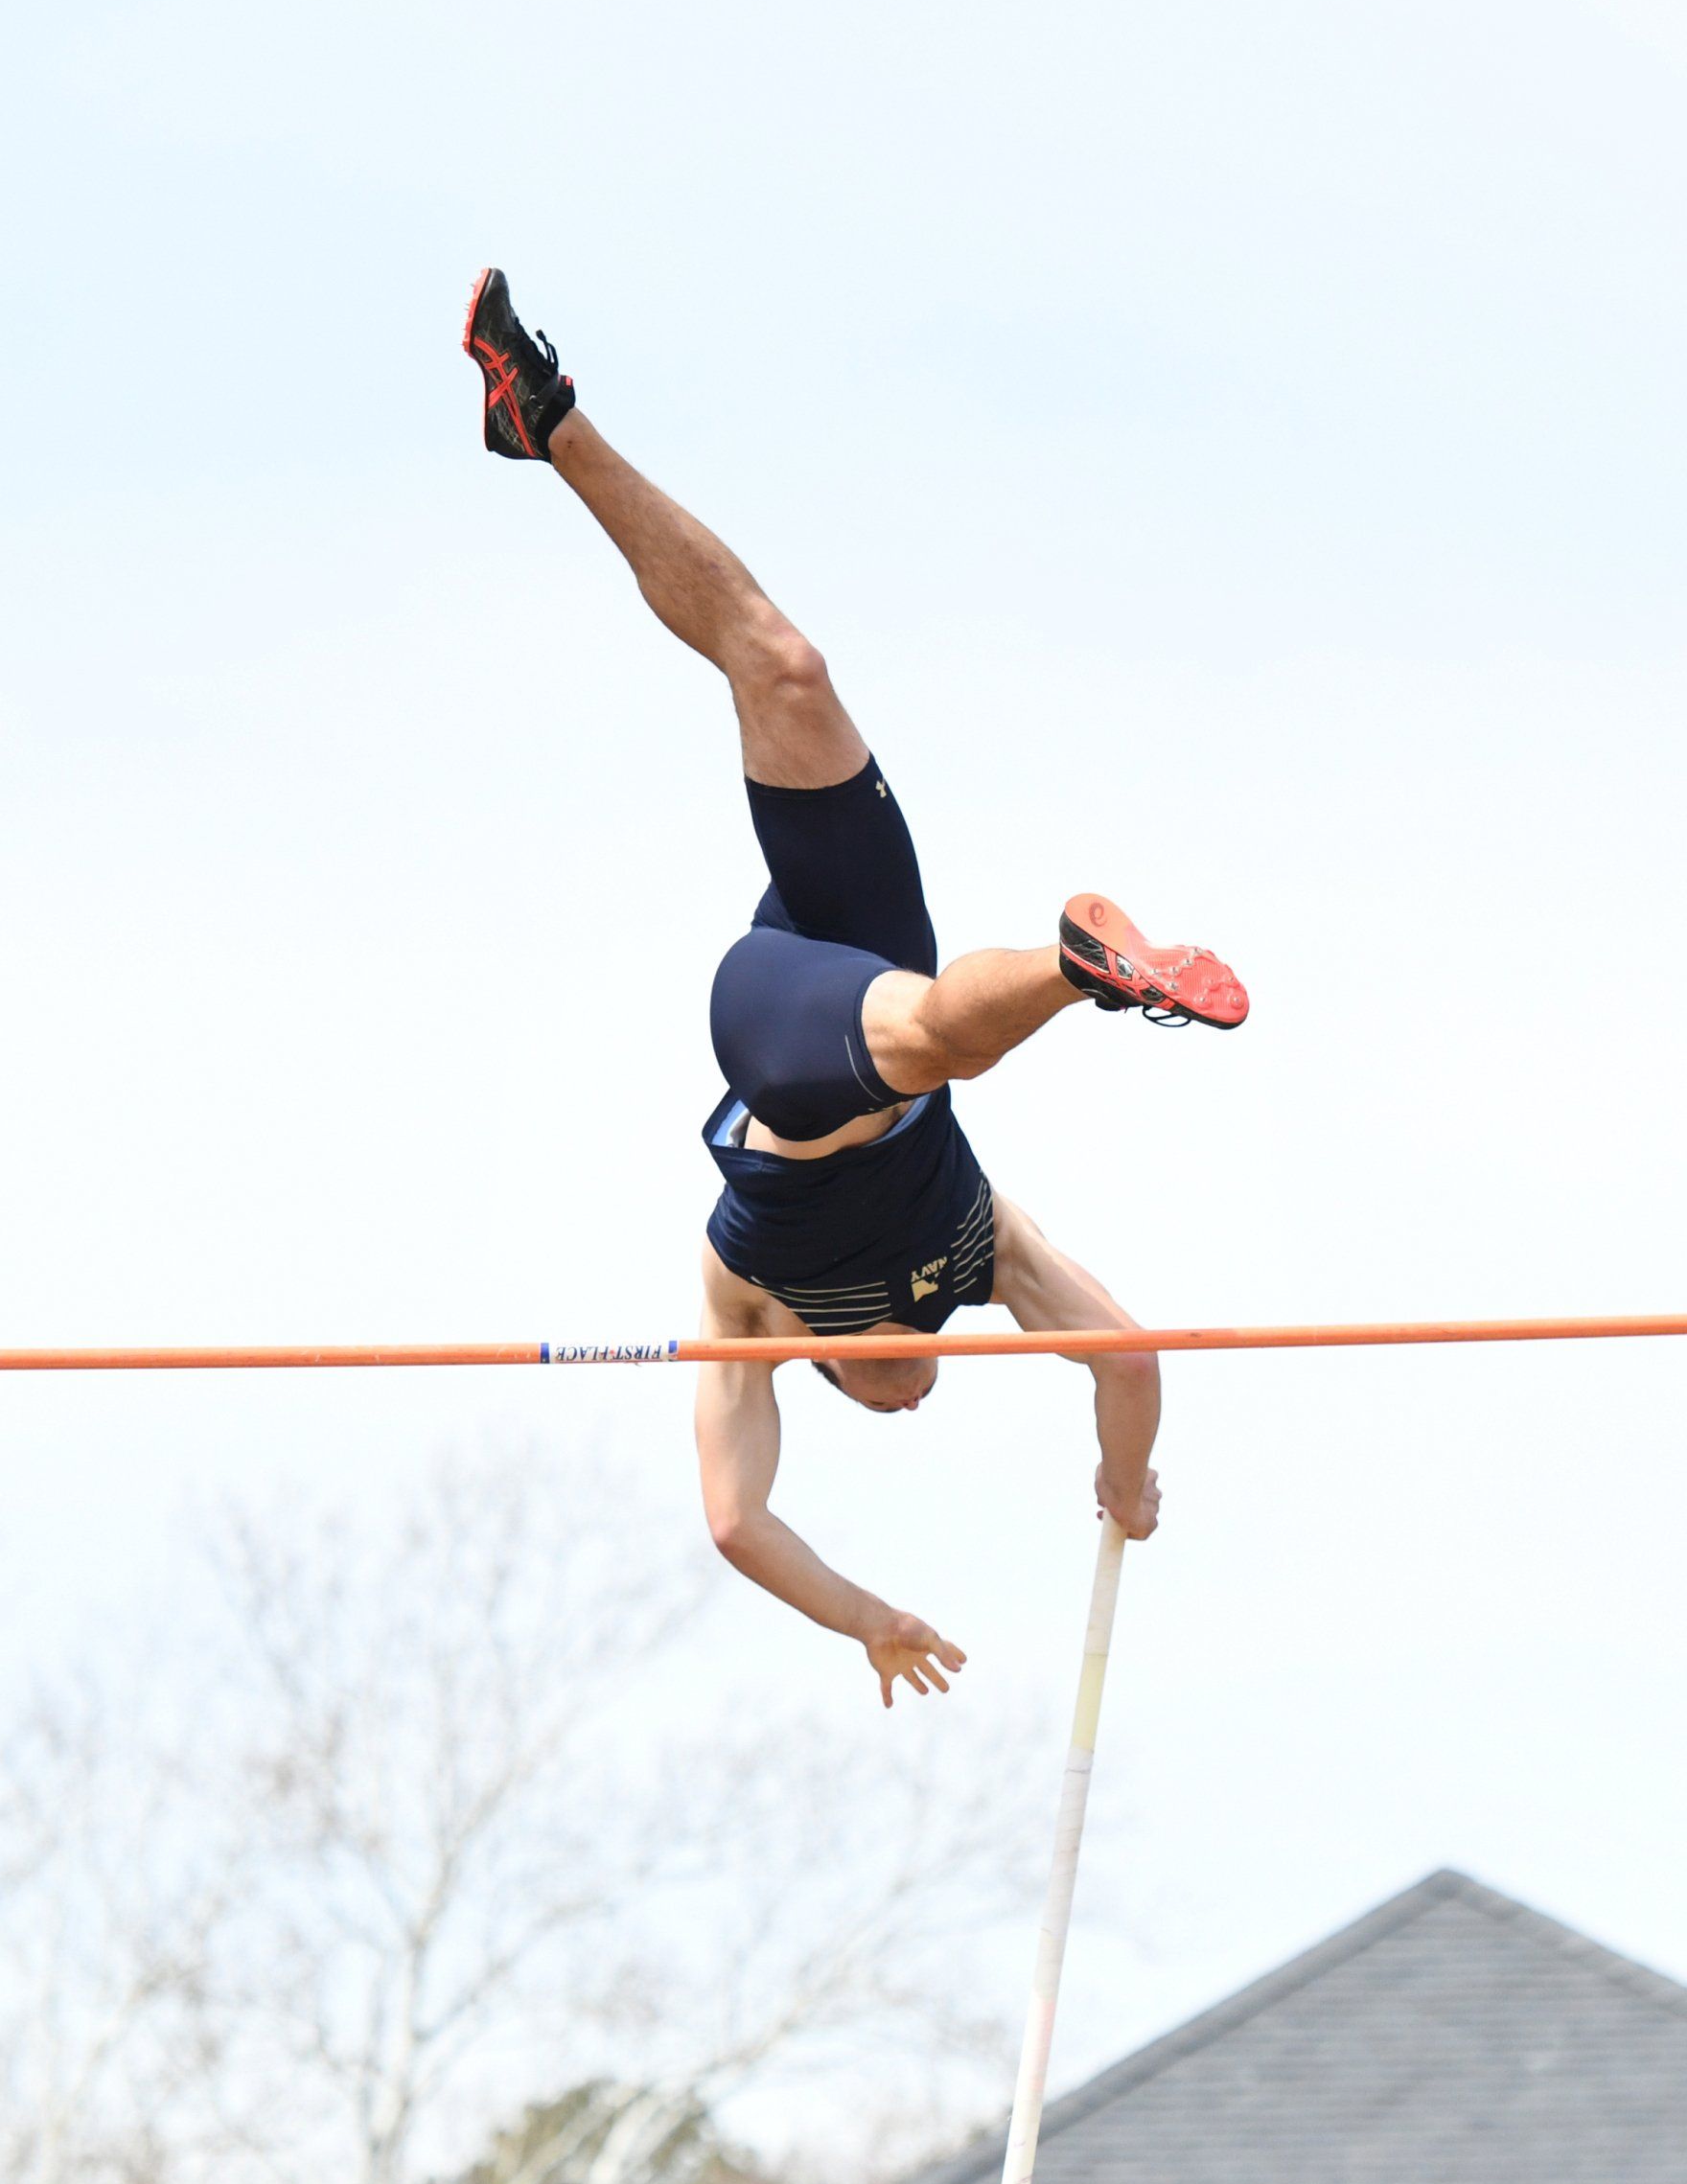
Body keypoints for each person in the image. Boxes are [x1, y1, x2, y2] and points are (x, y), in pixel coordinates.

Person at [464, 270, 1248, 1707]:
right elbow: (1125, 1359)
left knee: (913, 1006)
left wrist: (861, 1615)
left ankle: (1087, 980)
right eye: (925, 1378)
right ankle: (549, 422)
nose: (921, 1378)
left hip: (784, 1039)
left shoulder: (747, 1313)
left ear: (830, 1375)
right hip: (878, 998)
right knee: (797, 681)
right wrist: (1122, 1482)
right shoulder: (985, 1257)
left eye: (888, 1392)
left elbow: (734, 1517)